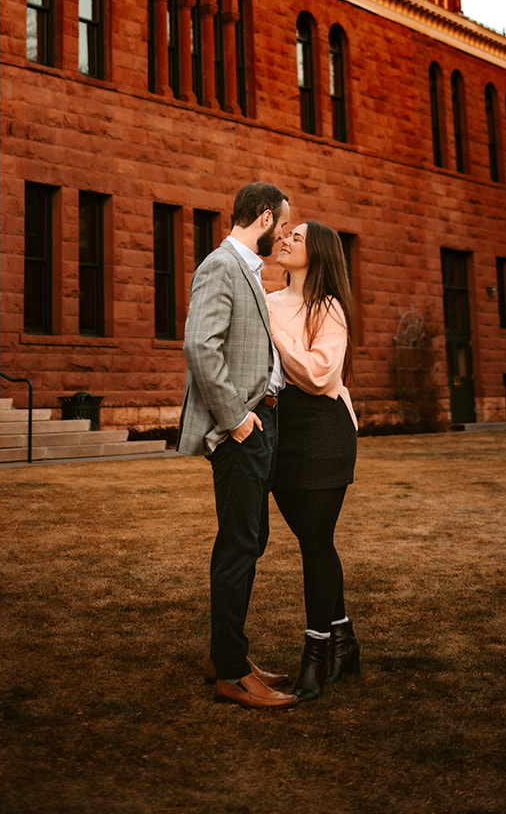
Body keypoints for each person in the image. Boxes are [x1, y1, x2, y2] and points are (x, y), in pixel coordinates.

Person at [178, 182, 298, 710]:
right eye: (284, 223)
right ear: (265, 217)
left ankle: (224, 654)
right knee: (239, 546)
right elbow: (199, 347)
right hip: (240, 430)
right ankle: (230, 672)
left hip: (260, 423)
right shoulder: (220, 265)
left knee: (248, 542)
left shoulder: (247, 269)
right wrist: (238, 421)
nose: (283, 234)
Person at [268, 219, 361, 702]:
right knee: (311, 539)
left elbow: (322, 376)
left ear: (318, 252)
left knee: (317, 542)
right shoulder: (265, 302)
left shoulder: (329, 308)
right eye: (285, 234)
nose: (285, 240)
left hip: (325, 429)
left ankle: (317, 653)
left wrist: (278, 340)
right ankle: (345, 637)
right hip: (281, 433)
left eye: (297, 237)